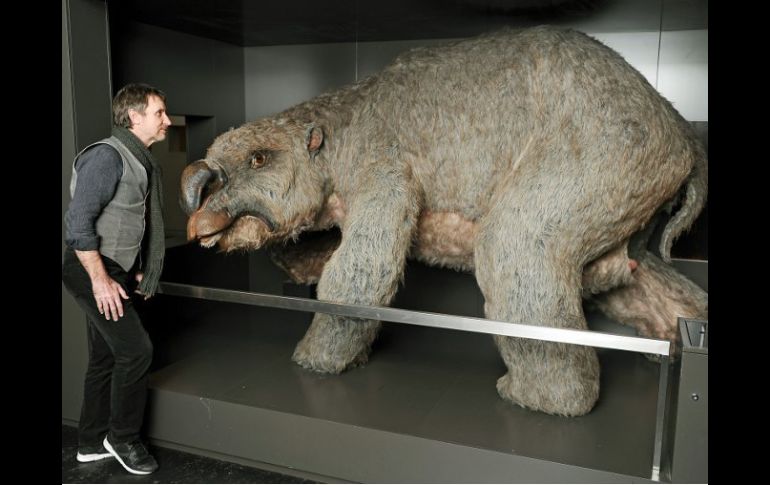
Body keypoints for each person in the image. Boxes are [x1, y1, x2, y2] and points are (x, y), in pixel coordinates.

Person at [62, 83, 171, 475]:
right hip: (89, 268)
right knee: (136, 351)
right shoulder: (108, 156)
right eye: (160, 113)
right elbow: (77, 224)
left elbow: (125, 218)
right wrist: (101, 279)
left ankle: (90, 443)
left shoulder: (140, 160)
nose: (168, 121)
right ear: (134, 116)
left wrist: (134, 266)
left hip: (114, 268)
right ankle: (123, 437)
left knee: (106, 356)